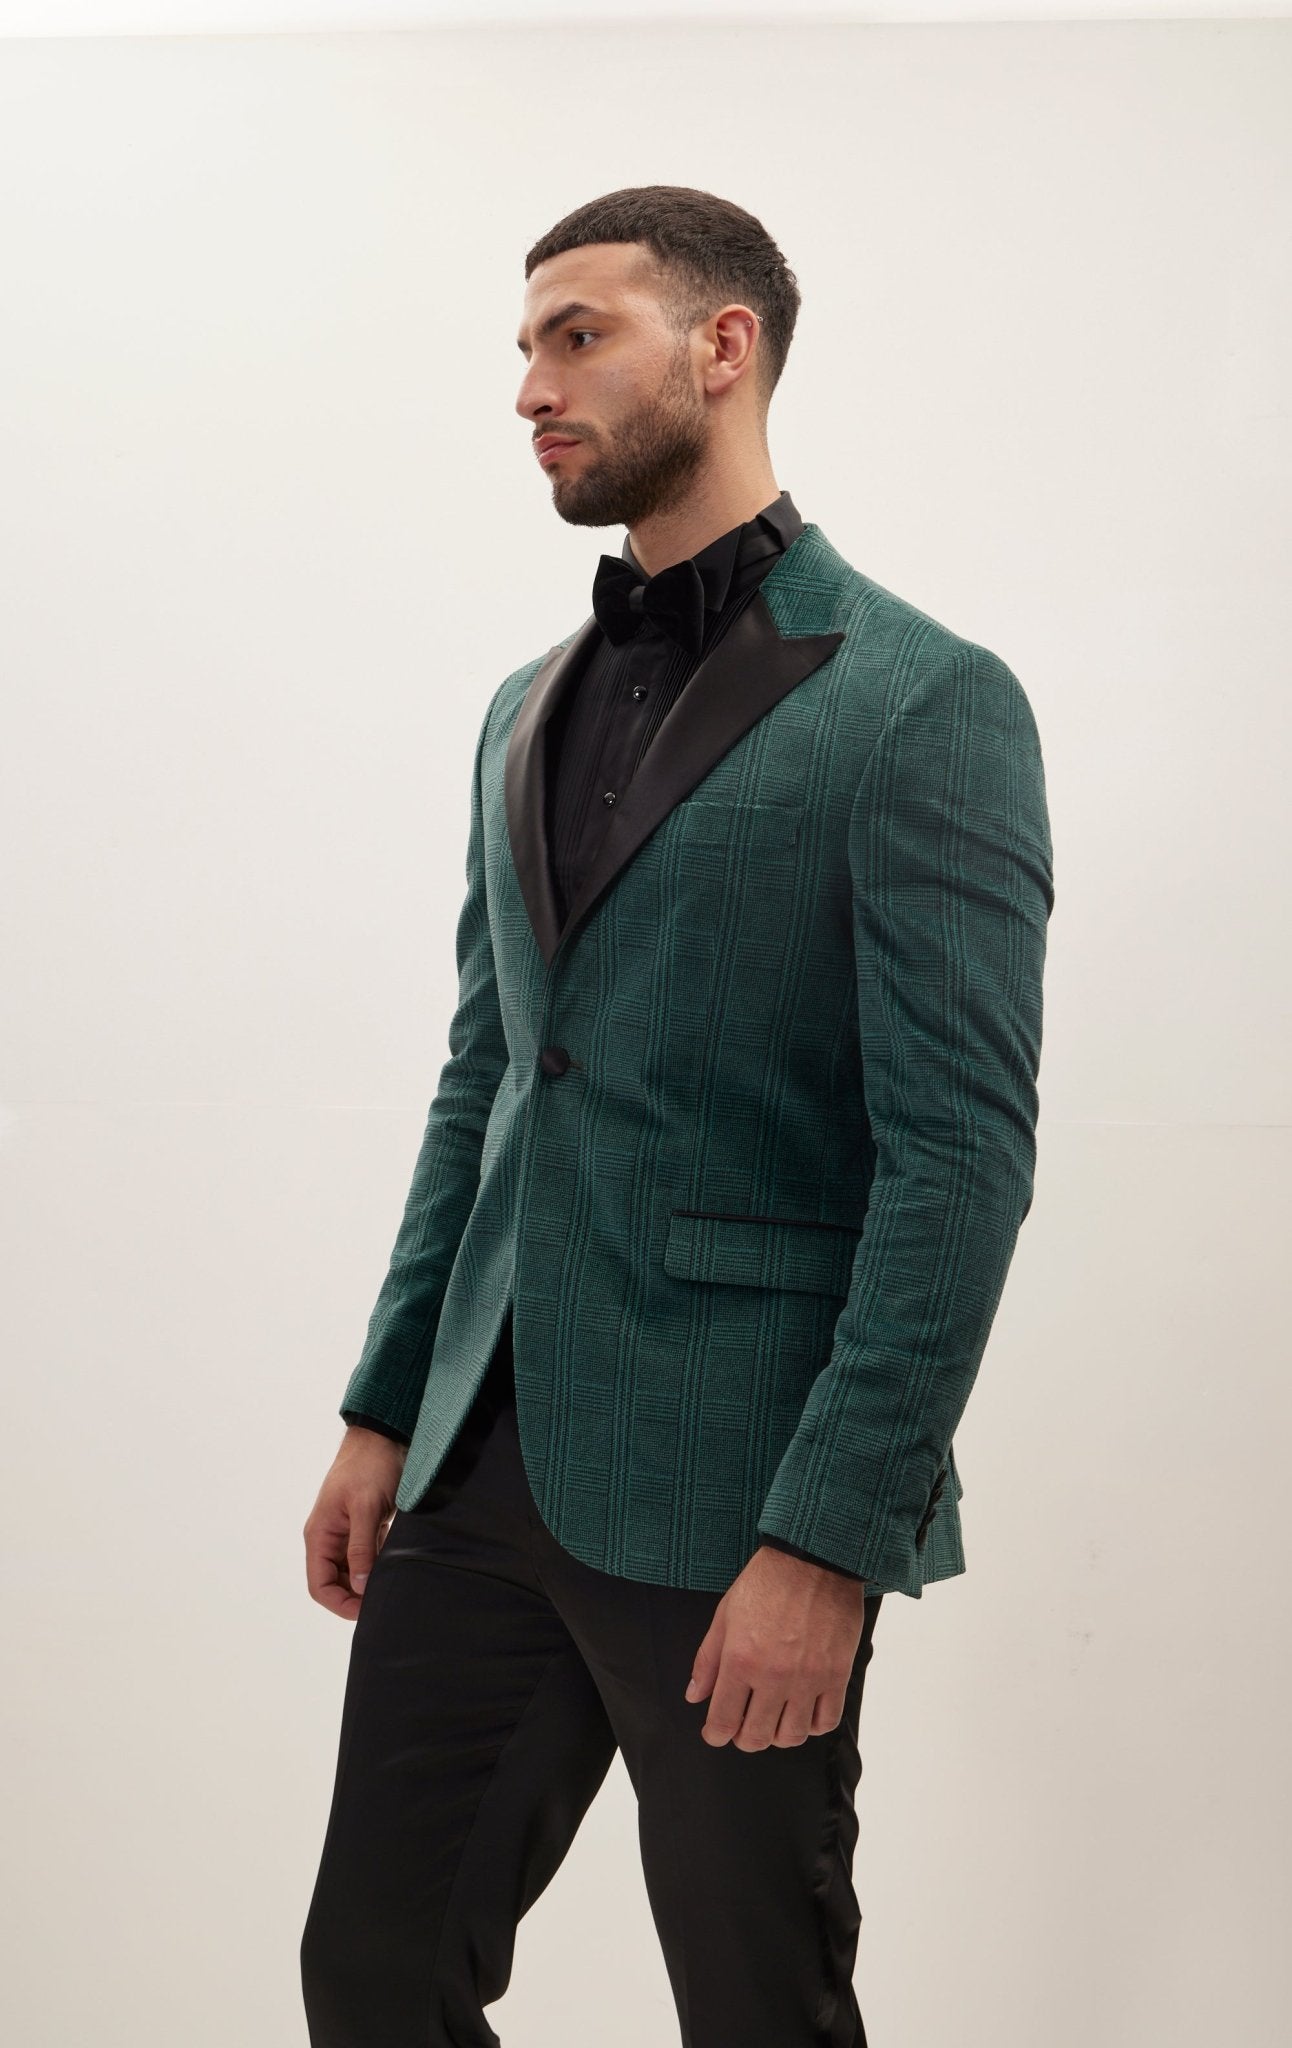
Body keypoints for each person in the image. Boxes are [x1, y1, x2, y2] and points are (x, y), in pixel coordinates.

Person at [299, 184, 1054, 2048]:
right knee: (373, 1973)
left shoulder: (924, 702)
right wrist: (387, 1406)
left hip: (738, 1489)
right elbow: (486, 1077)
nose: (531, 390)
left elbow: (960, 1160)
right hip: (482, 1460)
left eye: (580, 337)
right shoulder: (521, 707)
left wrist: (832, 1536)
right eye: (524, 348)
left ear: (724, 349)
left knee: (755, 2005)